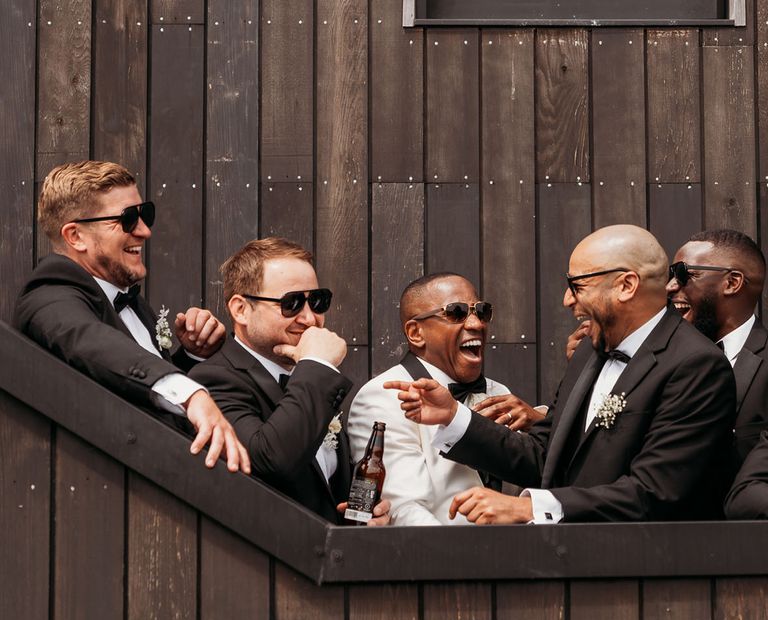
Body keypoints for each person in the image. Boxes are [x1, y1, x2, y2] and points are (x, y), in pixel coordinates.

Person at [386, 225, 736, 523]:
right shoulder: (588, 352)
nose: (568, 300)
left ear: (626, 285)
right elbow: (545, 456)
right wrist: (453, 417)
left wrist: (529, 507)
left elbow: (655, 490)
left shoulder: (697, 365)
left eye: (578, 285)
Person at [14, 160, 248, 472]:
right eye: (127, 219)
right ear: (75, 236)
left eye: (144, 214)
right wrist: (192, 396)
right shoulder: (47, 296)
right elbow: (93, 345)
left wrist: (191, 357)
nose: (144, 230)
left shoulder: (130, 303)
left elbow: (136, 396)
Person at [189, 237, 389, 524]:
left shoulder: (308, 379)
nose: (309, 318)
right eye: (291, 303)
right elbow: (271, 462)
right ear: (241, 309)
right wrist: (317, 365)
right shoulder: (213, 379)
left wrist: (364, 515)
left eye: (318, 301)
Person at [348, 273, 544, 525]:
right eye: (457, 312)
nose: (476, 324)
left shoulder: (500, 393)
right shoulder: (383, 396)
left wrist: (538, 420)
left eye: (481, 311)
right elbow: (404, 510)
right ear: (416, 332)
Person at [665, 230, 768, 469]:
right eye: (670, 275)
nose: (670, 286)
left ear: (732, 283)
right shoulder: (659, 358)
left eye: (684, 274)